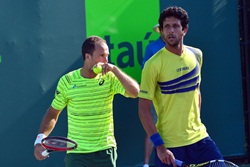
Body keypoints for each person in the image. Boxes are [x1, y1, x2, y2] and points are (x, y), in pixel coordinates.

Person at [34, 36, 139, 167]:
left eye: (107, 56)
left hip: (105, 151)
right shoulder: (67, 81)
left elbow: (135, 92)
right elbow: (52, 114)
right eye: (101, 56)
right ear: (87, 57)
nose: (106, 60)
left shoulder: (110, 77)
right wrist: (39, 141)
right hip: (76, 154)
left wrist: (115, 69)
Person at [138, 6, 223, 167]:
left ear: (184, 30)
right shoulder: (153, 65)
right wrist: (160, 146)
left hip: (200, 139)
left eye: (175, 26)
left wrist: (193, 122)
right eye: (166, 27)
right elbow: (143, 109)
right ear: (162, 32)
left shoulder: (196, 55)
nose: (171, 31)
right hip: (169, 146)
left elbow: (197, 92)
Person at [142, 24, 165, 167]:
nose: (168, 31)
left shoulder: (179, 47)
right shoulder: (152, 47)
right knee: (153, 129)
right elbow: (145, 69)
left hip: (175, 97)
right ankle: (146, 164)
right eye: (164, 28)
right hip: (156, 96)